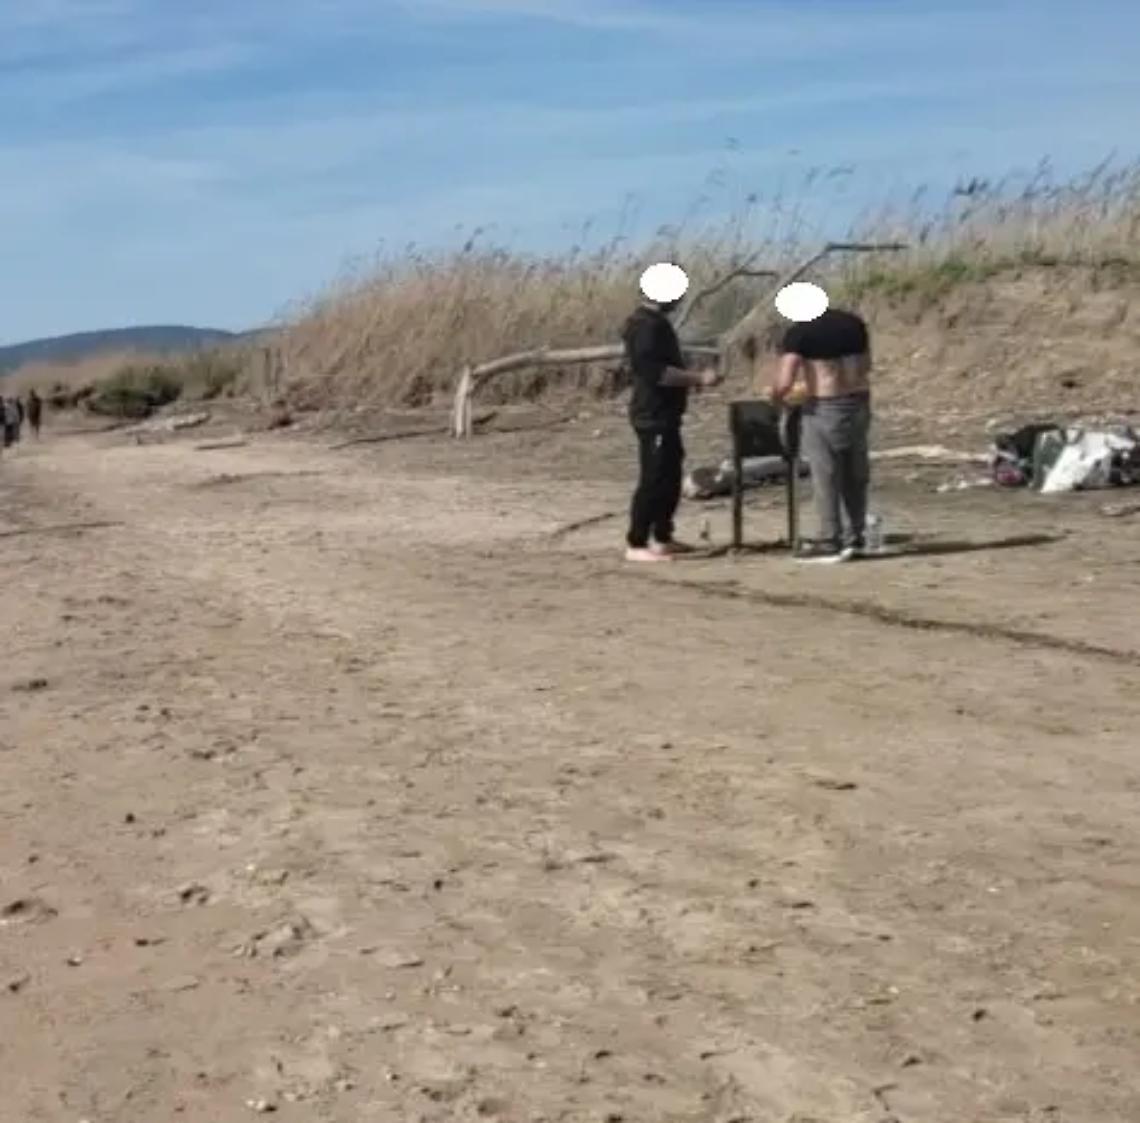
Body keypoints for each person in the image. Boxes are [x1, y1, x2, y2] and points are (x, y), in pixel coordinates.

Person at [622, 271, 722, 562]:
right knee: (653, 478)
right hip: (651, 414)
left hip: (666, 414)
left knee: (670, 475)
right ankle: (637, 542)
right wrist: (698, 378)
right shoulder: (645, 327)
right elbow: (657, 373)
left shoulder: (655, 323)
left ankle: (662, 535)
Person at [769, 305, 872, 561]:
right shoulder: (853, 322)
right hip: (859, 402)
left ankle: (829, 538)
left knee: (825, 473)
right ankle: (855, 534)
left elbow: (784, 382)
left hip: (825, 406)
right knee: (854, 472)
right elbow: (867, 364)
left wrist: (778, 400)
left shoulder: (800, 332)